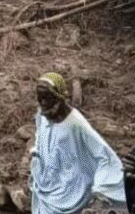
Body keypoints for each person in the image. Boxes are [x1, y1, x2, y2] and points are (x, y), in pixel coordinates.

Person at [30, 72, 125, 213]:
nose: (42, 103)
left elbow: (104, 155)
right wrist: (37, 155)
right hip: (48, 181)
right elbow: (41, 136)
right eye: (40, 98)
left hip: (73, 188)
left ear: (58, 97)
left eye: (47, 98)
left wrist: (100, 188)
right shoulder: (43, 114)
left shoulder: (75, 123)